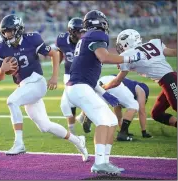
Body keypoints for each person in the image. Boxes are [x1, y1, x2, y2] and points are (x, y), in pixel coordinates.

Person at [61, 10, 145, 175]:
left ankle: (105, 161)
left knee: (112, 120)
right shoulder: (97, 35)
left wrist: (103, 92)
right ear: (100, 22)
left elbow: (87, 70)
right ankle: (99, 163)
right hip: (80, 88)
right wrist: (129, 58)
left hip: (82, 87)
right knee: (103, 121)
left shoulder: (87, 37)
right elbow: (104, 57)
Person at [0, 14, 88, 162]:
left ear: (18, 30)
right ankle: (79, 141)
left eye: (10, 31)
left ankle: (19, 143)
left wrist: (54, 77)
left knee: (11, 101)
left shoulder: (32, 38)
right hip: (25, 88)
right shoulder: (1, 47)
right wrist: (1, 70)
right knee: (45, 126)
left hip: (36, 82)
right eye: (5, 32)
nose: (7, 35)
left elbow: (55, 54)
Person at [103, 29, 177, 128]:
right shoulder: (154, 43)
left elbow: (116, 82)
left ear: (126, 42)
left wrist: (103, 87)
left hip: (169, 80)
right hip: (169, 80)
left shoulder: (127, 54)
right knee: (157, 113)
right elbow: (173, 52)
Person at [56, 17, 84, 134]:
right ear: (72, 32)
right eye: (80, 32)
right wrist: (56, 68)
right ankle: (72, 130)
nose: (82, 34)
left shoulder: (86, 41)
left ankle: (83, 116)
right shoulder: (61, 40)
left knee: (89, 96)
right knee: (68, 103)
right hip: (69, 74)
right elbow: (60, 53)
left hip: (84, 73)